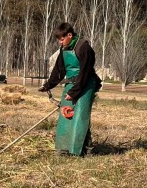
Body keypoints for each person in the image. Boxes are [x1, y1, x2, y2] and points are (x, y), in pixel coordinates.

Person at [39, 22, 102, 156]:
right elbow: (59, 70)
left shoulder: (83, 47)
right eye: (59, 40)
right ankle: (63, 149)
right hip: (71, 84)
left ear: (69, 35)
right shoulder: (64, 49)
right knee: (65, 115)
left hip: (86, 84)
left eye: (62, 39)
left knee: (80, 116)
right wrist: (48, 85)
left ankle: (84, 150)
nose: (60, 43)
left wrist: (74, 92)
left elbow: (85, 73)